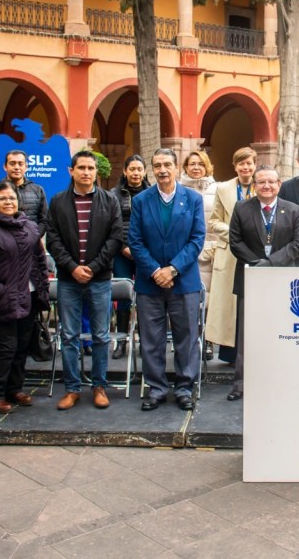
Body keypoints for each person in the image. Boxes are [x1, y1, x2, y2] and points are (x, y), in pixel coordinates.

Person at [128, 149, 205, 411]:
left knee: (186, 337)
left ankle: (184, 388)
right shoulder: (140, 201)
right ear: (152, 169)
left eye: (167, 165)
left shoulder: (193, 199)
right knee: (151, 339)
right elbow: (135, 242)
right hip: (150, 283)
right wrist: (155, 271)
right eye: (157, 165)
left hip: (184, 282)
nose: (162, 169)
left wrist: (172, 270)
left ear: (176, 168)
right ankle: (157, 388)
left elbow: (197, 239)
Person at [45, 150, 123, 411]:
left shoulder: (109, 201)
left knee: (101, 335)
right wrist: (71, 267)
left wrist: (92, 266)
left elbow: (115, 238)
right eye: (81, 168)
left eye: (91, 168)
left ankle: (99, 386)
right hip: (68, 279)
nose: (87, 173)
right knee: (68, 336)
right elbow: (52, 239)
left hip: (99, 278)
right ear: (71, 171)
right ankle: (72, 389)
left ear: (95, 172)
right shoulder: (57, 202)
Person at [0, 181, 49, 414]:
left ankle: (14, 389)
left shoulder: (29, 227)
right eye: (3, 198)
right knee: (5, 347)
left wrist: (42, 286)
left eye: (12, 198)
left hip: (29, 296)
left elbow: (39, 259)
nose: (8, 202)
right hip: (3, 298)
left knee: (22, 345)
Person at [228, 165, 299, 401]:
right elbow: (235, 241)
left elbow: (298, 244)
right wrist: (256, 263)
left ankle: (283, 380)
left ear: (279, 184)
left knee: (283, 331)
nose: (266, 186)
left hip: (283, 279)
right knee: (246, 334)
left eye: (271, 182)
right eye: (261, 182)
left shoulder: (294, 210)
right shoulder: (242, 208)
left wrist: (270, 263)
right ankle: (241, 384)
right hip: (250, 277)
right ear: (254, 185)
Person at [205, 147, 258, 365]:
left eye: (249, 163)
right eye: (241, 164)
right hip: (229, 251)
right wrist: (233, 232)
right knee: (229, 303)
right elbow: (214, 221)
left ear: (255, 165)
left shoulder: (262, 185)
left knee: (253, 300)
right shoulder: (224, 188)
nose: (245, 167)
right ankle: (229, 353)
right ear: (235, 166)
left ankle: (254, 349)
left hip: (255, 251)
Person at [110, 155, 150, 359]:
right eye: (132, 169)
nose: (135, 173)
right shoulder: (113, 195)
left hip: (146, 253)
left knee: (145, 297)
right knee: (123, 298)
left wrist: (141, 250)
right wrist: (124, 247)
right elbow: (111, 224)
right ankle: (122, 342)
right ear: (125, 171)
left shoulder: (152, 193)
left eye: (139, 169)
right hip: (121, 252)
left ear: (144, 172)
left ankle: (146, 342)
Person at [180, 150, 218, 298]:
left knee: (211, 297)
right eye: (192, 164)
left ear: (207, 166)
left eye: (201, 164)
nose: (196, 167)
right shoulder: (177, 189)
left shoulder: (218, 189)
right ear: (185, 167)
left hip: (211, 252)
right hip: (186, 250)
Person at [0, 150, 48, 229]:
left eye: (20, 164)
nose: (16, 167)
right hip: (2, 239)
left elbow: (44, 220)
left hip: (32, 238)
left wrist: (34, 236)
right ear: (5, 166)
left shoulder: (38, 190)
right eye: (12, 163)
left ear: (26, 167)